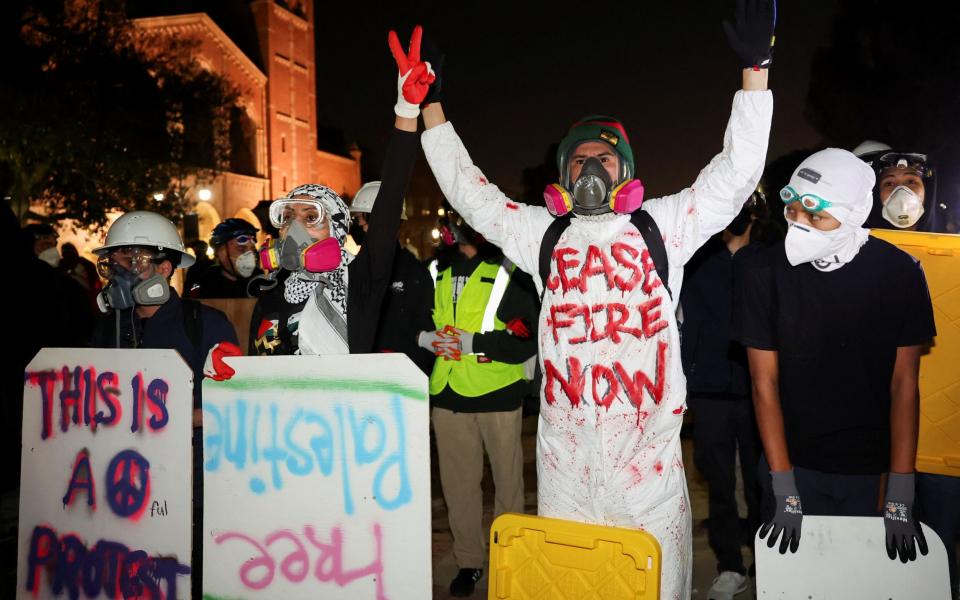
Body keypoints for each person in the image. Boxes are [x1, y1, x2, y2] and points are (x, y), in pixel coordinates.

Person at [417, 2, 776, 596]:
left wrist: (755, 74)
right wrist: (432, 109)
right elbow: (470, 194)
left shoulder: (665, 225)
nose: (591, 167)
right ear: (563, 173)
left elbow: (736, 173)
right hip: (564, 476)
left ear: (626, 171)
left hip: (651, 479)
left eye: (604, 159)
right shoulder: (543, 234)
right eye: (579, 159)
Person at [735, 149, 935, 567]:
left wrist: (901, 489)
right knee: (794, 582)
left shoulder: (898, 273)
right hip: (790, 462)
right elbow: (763, 383)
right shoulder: (763, 273)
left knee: (861, 582)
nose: (800, 225)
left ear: (856, 212)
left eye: (816, 216)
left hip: (871, 471)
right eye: (793, 210)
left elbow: (904, 385)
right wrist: (782, 483)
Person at [249, 27, 432, 357]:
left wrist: (406, 112)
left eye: (311, 216)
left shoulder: (360, 282)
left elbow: (389, 201)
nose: (295, 227)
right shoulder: (270, 296)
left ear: (335, 227)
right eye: (288, 217)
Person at [89, 210, 240, 597]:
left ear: (166, 267)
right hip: (120, 482)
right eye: (115, 262)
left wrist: (173, 420)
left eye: (133, 260)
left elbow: (233, 407)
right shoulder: (105, 328)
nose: (121, 271)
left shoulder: (206, 323)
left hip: (190, 481)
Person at [418, 216, 538, 596]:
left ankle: (511, 556)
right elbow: (412, 322)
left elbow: (526, 338)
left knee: (507, 485)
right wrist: (426, 339)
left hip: (497, 392)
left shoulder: (509, 271)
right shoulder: (435, 269)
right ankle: (469, 561)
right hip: (448, 393)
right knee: (459, 487)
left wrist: (473, 344)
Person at [680, 191, 770, 599]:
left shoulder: (771, 258)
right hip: (709, 389)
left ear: (754, 211)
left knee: (761, 484)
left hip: (759, 390)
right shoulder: (694, 259)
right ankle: (730, 565)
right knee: (718, 484)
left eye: (743, 206)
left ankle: (766, 563)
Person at [349, 181, 435, 375]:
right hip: (359, 376)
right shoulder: (352, 270)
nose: (358, 227)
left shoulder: (413, 274)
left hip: (399, 378)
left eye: (361, 219)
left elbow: (422, 332)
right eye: (355, 220)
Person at [853, 140, 944, 233]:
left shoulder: (951, 243)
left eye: (911, 181)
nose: (902, 193)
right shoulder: (855, 244)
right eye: (889, 184)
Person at [191, 217, 261, 298]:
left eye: (252, 249)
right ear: (221, 252)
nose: (250, 255)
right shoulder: (204, 282)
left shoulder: (259, 281)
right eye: (241, 248)